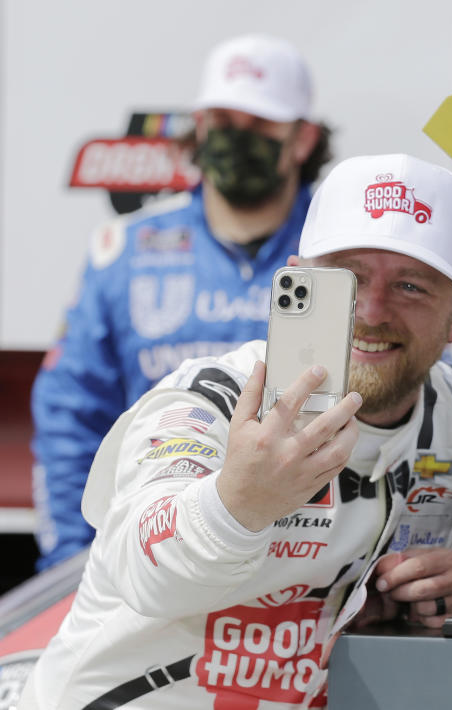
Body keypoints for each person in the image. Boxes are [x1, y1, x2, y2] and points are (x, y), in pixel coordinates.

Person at [19, 153, 452, 709]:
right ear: (297, 280)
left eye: (411, 286)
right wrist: (237, 503)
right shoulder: (209, 402)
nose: (373, 310)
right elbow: (143, 572)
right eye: (348, 277)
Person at [31, 34, 331, 571]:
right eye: (222, 121)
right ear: (199, 125)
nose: (237, 138)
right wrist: (72, 563)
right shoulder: (126, 250)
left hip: (304, 554)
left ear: (303, 138)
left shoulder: (340, 252)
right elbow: (69, 416)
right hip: (147, 548)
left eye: (260, 124)